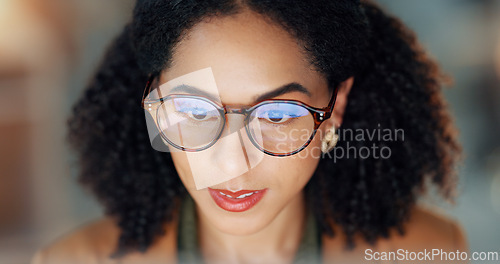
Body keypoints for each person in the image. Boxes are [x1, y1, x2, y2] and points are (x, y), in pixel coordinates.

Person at [32, 0, 467, 263]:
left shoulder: (432, 252)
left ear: (337, 106)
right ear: (153, 101)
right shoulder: (72, 261)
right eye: (195, 110)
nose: (232, 164)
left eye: (276, 115)